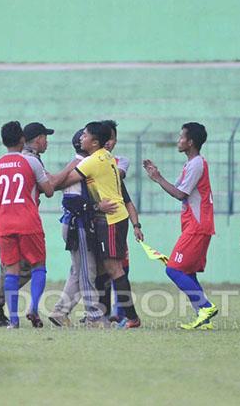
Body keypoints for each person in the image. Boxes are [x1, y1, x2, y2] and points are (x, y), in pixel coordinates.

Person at [51, 122, 142, 329]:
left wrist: (59, 171)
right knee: (96, 268)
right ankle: (95, 313)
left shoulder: (91, 162)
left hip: (108, 219)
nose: (82, 137)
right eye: (81, 135)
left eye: (86, 135)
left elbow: (58, 185)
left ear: (94, 142)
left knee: (111, 268)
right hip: (111, 218)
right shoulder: (108, 157)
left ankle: (122, 317)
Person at [143, 123, 217, 331]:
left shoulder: (196, 164)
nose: (178, 140)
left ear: (190, 141)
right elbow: (179, 191)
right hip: (194, 225)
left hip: (197, 225)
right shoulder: (191, 164)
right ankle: (204, 319)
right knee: (188, 272)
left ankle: (206, 306)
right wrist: (157, 175)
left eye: (181, 137)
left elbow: (180, 194)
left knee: (173, 269)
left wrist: (157, 178)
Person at [0, 122, 54, 327]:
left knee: (10, 270)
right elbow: (48, 191)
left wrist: (6, 202)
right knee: (38, 266)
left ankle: (13, 321)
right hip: (28, 221)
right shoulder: (31, 162)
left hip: (4, 223)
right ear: (22, 140)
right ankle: (33, 309)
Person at [100, 120, 144, 323]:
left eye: (111, 138)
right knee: (101, 271)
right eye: (104, 138)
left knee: (119, 266)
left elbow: (121, 185)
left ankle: (122, 312)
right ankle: (104, 312)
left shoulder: (118, 163)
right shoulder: (92, 163)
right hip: (99, 222)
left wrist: (136, 225)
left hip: (115, 223)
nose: (108, 142)